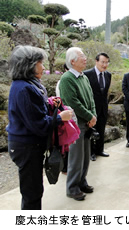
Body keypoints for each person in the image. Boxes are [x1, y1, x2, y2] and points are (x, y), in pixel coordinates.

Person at [6, 45, 72, 210]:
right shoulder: (24, 88)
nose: (43, 67)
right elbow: (39, 125)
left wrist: (50, 102)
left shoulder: (28, 84)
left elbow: (35, 111)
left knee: (34, 190)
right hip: (27, 147)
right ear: (28, 65)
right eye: (40, 63)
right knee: (32, 193)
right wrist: (60, 117)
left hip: (28, 145)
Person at [59, 47, 97, 201]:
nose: (85, 58)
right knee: (76, 158)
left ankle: (82, 182)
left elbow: (91, 98)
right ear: (72, 61)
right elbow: (72, 102)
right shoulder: (67, 78)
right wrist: (89, 115)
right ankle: (72, 188)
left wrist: (92, 114)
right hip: (76, 124)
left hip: (87, 122)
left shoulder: (83, 77)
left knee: (85, 157)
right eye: (81, 56)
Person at [84, 53, 111, 161]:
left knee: (101, 129)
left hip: (103, 108)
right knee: (90, 130)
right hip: (91, 108)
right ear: (96, 61)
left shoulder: (108, 75)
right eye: (102, 62)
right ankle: (91, 152)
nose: (105, 64)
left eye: (107, 62)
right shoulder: (87, 74)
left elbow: (105, 93)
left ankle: (100, 150)